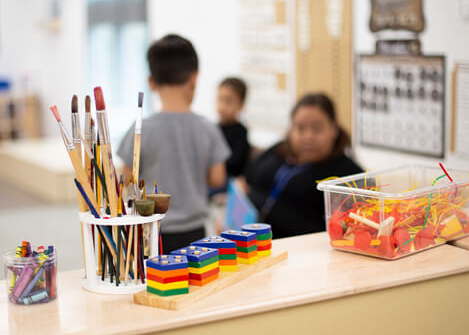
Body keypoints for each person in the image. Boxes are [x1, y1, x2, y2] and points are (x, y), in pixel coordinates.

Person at [118, 34, 230, 252]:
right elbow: (218, 178)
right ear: (194, 78)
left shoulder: (141, 128)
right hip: (195, 232)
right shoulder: (207, 128)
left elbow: (124, 182)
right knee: (193, 284)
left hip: (150, 231)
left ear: (151, 82)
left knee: (155, 284)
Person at [245, 93, 362, 239]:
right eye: (300, 128)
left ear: (334, 128)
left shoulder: (348, 176)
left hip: (293, 250)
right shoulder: (278, 151)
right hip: (246, 238)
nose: (308, 136)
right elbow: (246, 178)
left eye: (317, 129)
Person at [216, 77, 250, 178]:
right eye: (220, 99)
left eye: (229, 101)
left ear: (241, 105)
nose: (222, 106)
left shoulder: (241, 132)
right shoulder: (213, 129)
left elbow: (234, 164)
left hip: (228, 179)